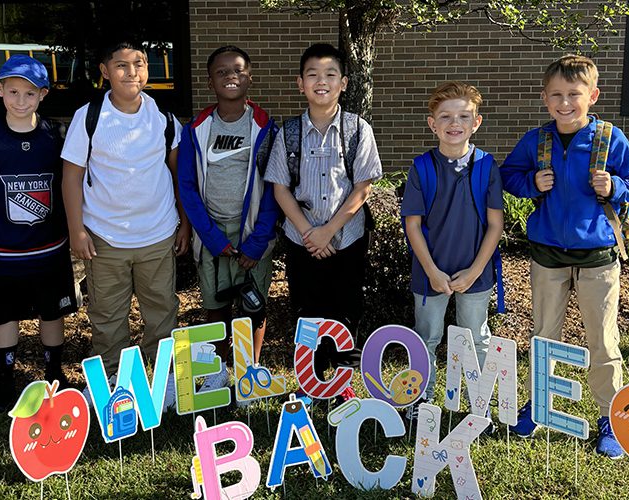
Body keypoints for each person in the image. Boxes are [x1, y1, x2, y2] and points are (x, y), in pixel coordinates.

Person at [501, 55, 629, 458]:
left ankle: (612, 417)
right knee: (543, 336)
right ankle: (539, 404)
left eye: (574, 94)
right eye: (556, 95)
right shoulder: (537, 140)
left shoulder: (609, 137)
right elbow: (508, 175)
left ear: (593, 96)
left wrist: (615, 187)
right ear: (544, 98)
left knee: (602, 340)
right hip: (547, 255)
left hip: (598, 257)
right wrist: (531, 182)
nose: (565, 102)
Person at [61, 41, 190, 409]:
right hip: (105, 237)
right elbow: (71, 176)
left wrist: (183, 223)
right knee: (107, 314)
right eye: (121, 65)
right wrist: (77, 230)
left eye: (139, 64)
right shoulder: (89, 117)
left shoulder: (163, 119)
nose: (132, 72)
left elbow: (177, 173)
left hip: (158, 233)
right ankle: (112, 381)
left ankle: (162, 378)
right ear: (105, 71)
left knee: (162, 309)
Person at [0, 55, 77, 414]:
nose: (21, 101)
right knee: (4, 318)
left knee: (53, 315)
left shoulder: (56, 134)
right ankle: (5, 383)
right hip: (4, 254)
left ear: (43, 95)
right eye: (13, 92)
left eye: (30, 94)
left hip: (50, 251)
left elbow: (76, 185)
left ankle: (55, 375)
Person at [264, 43, 381, 392]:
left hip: (347, 238)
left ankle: (343, 382)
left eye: (330, 74)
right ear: (300, 84)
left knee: (346, 309)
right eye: (312, 74)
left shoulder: (358, 130)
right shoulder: (288, 133)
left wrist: (328, 230)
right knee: (307, 310)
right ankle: (310, 381)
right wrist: (308, 233)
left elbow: (362, 189)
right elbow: (280, 189)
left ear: (343, 82)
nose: (321, 81)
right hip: (303, 242)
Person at [178, 46, 278, 394]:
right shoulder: (197, 128)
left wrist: (258, 240)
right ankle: (220, 372)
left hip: (252, 231)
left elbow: (274, 188)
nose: (230, 76)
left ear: (250, 77)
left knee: (254, 305)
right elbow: (187, 187)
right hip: (212, 233)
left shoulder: (266, 127)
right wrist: (210, 238)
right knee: (215, 306)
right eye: (221, 72)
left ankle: (250, 374)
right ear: (210, 82)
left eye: (237, 70)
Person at [401, 82, 504, 418]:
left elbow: (495, 225)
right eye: (445, 116)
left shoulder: (487, 167)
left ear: (476, 122)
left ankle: (480, 401)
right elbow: (413, 225)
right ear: (433, 124)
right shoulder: (422, 167)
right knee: (426, 336)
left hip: (475, 273)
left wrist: (474, 271)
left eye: (463, 115)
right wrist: (431, 271)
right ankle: (421, 398)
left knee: (476, 338)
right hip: (430, 273)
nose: (454, 122)